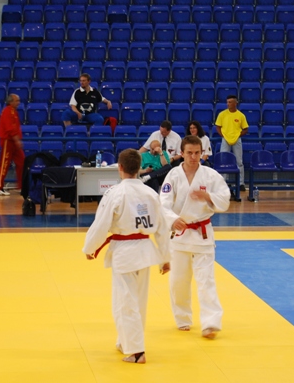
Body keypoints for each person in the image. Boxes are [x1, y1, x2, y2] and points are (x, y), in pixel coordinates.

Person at [83, 149, 170, 364]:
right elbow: (162, 227)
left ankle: (136, 351)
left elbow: (101, 225)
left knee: (125, 302)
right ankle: (126, 341)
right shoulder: (151, 193)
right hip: (145, 250)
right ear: (139, 168)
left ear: (120, 168)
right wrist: (165, 257)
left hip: (125, 253)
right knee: (138, 302)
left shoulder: (115, 193)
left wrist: (89, 248)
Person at [159, 136, 231, 339]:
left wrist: (208, 196)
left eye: (197, 153)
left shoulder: (210, 175)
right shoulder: (173, 175)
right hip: (180, 234)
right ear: (181, 153)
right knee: (178, 281)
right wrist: (173, 219)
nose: (193, 157)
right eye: (189, 153)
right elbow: (163, 203)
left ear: (202, 153)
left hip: (202, 234)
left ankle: (210, 323)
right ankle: (183, 318)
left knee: (206, 281)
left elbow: (225, 199)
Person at [214, 95, 248, 192]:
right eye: (227, 102)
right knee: (223, 160)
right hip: (225, 140)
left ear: (235, 103)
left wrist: (237, 135)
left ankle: (241, 183)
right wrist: (224, 136)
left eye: (230, 102)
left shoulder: (241, 115)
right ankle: (223, 181)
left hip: (237, 140)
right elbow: (218, 126)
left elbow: (245, 129)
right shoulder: (222, 114)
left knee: (239, 161)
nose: (228, 104)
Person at [0, 94, 24, 196]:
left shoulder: (14, 111)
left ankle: (21, 186)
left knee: (22, 162)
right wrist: (17, 140)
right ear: (11, 102)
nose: (18, 103)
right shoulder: (7, 111)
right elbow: (10, 128)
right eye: (17, 100)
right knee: (4, 164)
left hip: (14, 142)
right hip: (8, 141)